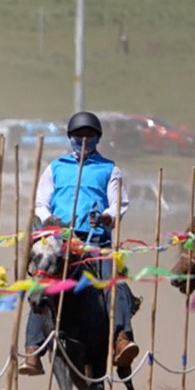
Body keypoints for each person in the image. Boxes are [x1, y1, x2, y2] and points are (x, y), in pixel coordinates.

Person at [21, 111, 139, 375]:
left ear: (97, 138)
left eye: (89, 136)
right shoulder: (55, 167)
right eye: (78, 136)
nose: (83, 141)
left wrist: (106, 217)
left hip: (95, 242)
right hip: (60, 240)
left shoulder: (110, 169)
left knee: (113, 282)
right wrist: (48, 218)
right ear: (70, 138)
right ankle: (33, 349)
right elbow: (40, 203)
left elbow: (119, 203)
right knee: (43, 281)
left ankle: (122, 338)